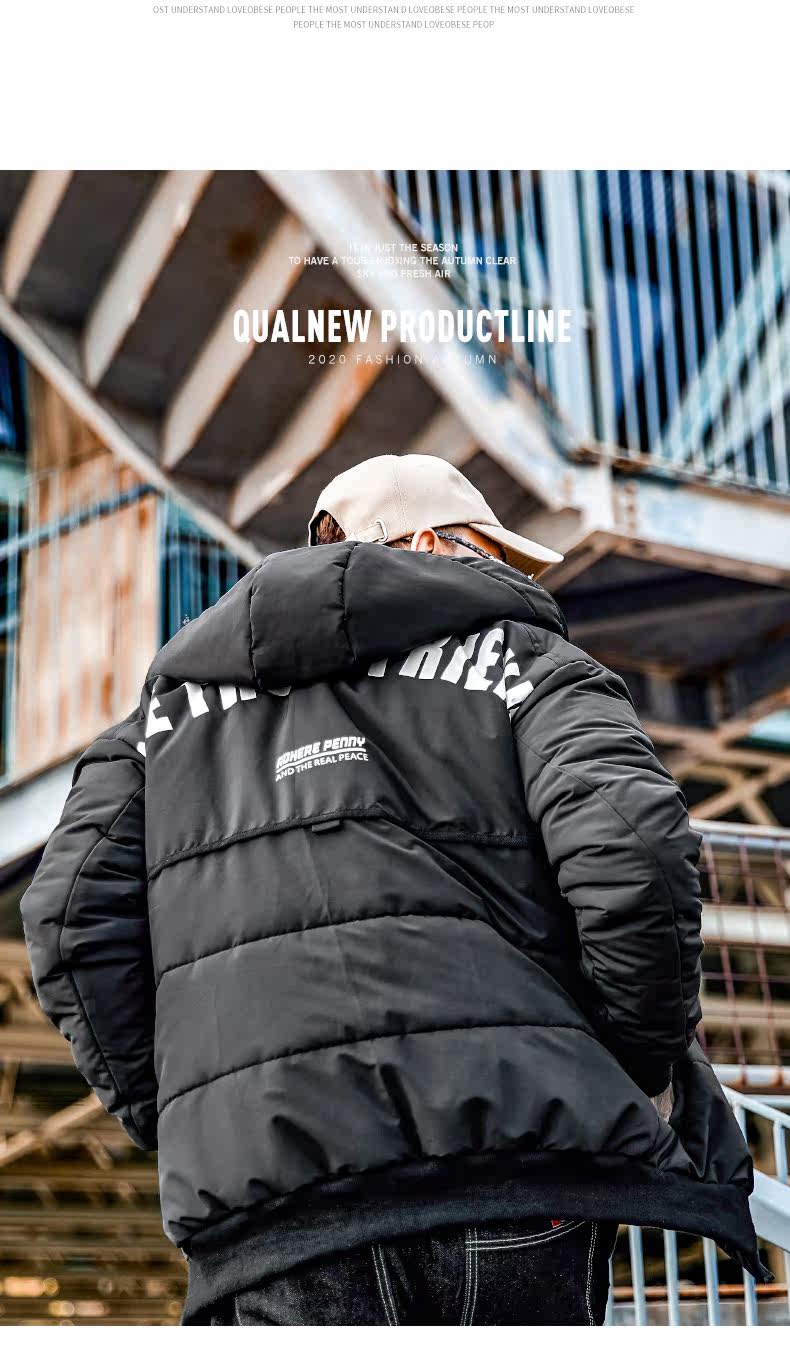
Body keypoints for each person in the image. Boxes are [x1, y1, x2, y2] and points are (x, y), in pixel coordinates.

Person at [21, 453, 766, 1326]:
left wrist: (199, 1113)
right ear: (425, 543)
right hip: (513, 1181)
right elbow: (633, 847)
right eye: (489, 552)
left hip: (274, 1228)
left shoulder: (152, 729)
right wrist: (634, 1058)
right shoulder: (526, 665)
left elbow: (67, 921)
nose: (507, 579)